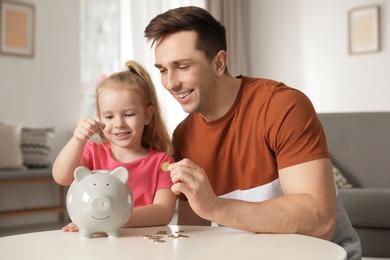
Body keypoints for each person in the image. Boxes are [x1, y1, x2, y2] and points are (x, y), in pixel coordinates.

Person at [144, 6, 361, 259]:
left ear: (219, 63)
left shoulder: (282, 106)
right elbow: (195, 234)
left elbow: (320, 220)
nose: (170, 83)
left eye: (182, 66)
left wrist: (215, 206)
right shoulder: (184, 135)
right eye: (162, 69)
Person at [53, 60, 177, 230]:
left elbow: (163, 213)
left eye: (129, 114)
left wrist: (108, 220)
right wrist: (77, 140)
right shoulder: (92, 152)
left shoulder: (163, 163)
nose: (119, 124)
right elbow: (61, 177)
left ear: (147, 115)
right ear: (100, 117)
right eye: (109, 117)